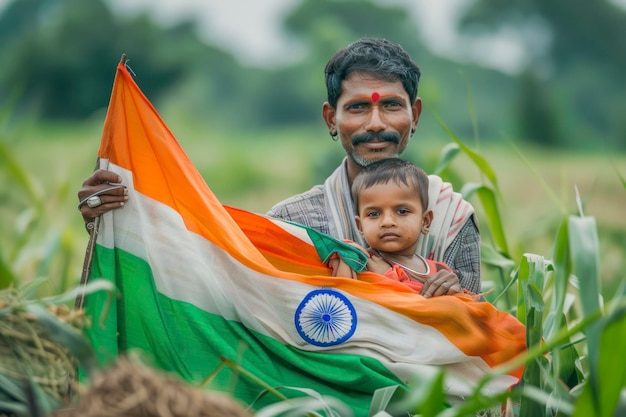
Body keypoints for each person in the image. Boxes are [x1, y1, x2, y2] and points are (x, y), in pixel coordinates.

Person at [78, 37, 480, 296]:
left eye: (391, 104)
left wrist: (458, 299)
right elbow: (210, 286)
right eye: (358, 107)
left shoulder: (452, 217)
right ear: (330, 119)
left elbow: (479, 343)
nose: (375, 123)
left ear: (416, 113)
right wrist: (123, 219)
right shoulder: (292, 222)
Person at [344, 157, 462, 297]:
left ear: (425, 221)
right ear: (360, 226)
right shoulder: (360, 261)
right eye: (374, 214)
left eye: (402, 211)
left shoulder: (440, 272)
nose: (387, 222)